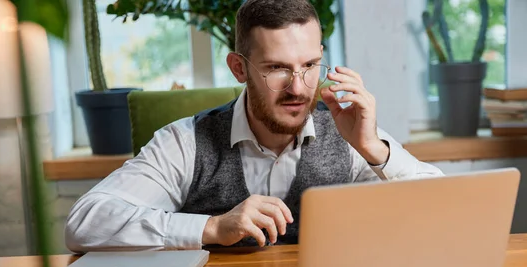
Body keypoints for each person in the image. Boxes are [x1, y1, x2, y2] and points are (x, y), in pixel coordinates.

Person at [65, 0, 443, 252]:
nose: (299, 88)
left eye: (310, 65)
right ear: (239, 68)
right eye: (277, 68)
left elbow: (445, 211)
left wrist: (375, 150)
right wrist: (210, 228)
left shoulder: (351, 134)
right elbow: (85, 223)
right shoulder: (185, 142)